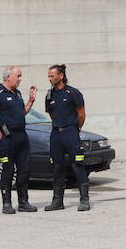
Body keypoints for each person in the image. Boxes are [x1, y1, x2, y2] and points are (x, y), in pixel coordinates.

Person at [0, 67, 38, 214]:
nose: (20, 79)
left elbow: (22, 113)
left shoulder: (17, 93)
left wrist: (31, 100)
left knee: (24, 169)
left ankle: (23, 202)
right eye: (18, 76)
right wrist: (0, 137)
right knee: (8, 170)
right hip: (7, 138)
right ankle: (7, 203)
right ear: (8, 77)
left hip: (21, 137)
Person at [43, 64, 90, 212]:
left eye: (52, 76)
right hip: (56, 134)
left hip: (71, 132)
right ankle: (57, 201)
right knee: (57, 167)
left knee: (77, 165)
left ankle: (84, 200)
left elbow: (81, 114)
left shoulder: (73, 93)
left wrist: (75, 128)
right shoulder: (49, 95)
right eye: (49, 76)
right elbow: (52, 114)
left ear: (61, 76)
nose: (49, 78)